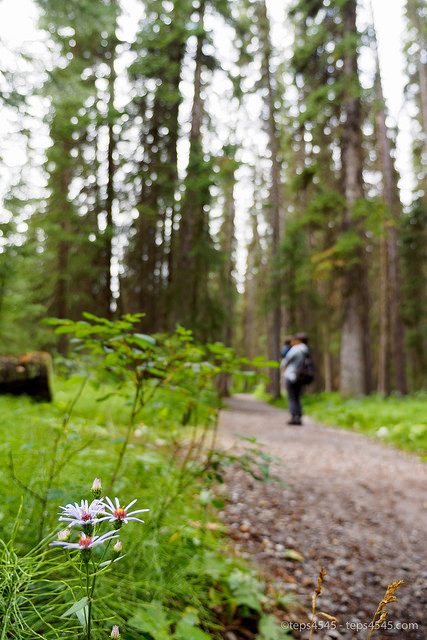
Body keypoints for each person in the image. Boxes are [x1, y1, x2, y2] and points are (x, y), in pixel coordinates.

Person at [280, 332, 310, 426]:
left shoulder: (296, 349)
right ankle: (299, 416)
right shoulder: (307, 350)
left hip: (291, 375)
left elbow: (286, 360)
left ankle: (294, 417)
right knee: (297, 397)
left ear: (298, 340)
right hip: (301, 376)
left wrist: (282, 369)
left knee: (292, 397)